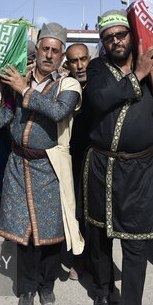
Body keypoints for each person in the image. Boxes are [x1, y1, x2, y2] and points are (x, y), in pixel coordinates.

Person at [83, 10, 153, 305]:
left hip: (140, 172)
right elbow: (99, 100)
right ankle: (103, 290)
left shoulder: (151, 66)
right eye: (109, 37)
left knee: (135, 248)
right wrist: (138, 74)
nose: (116, 40)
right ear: (103, 43)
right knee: (102, 235)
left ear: (131, 36)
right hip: (102, 166)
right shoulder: (97, 69)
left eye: (121, 34)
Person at [0, 23, 84, 305]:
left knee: (52, 233)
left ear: (61, 57)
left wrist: (24, 89)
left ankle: (47, 285)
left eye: (56, 51)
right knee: (24, 233)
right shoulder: (18, 79)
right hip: (18, 165)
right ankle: (27, 287)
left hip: (50, 166)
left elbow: (58, 111)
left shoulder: (69, 85)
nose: (49, 55)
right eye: (46, 48)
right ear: (39, 48)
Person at [66, 43, 91, 280]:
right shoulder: (64, 85)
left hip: (97, 157)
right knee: (76, 209)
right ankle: (78, 256)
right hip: (72, 157)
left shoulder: (100, 83)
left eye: (83, 59)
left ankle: (93, 257)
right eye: (74, 61)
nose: (80, 65)